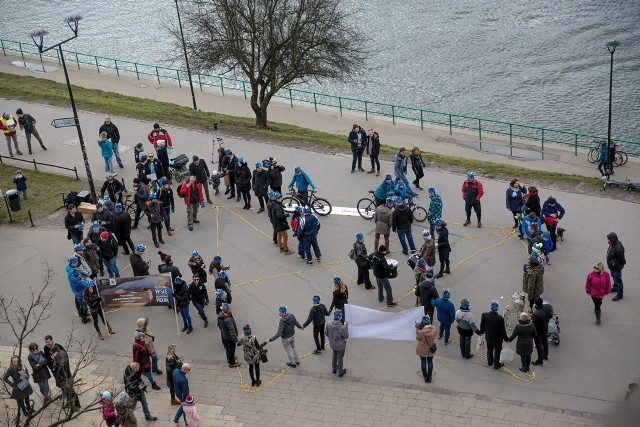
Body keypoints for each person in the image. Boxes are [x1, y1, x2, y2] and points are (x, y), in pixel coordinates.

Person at [478, 301, 509, 369]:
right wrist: (506, 339)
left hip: (488, 337)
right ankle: (496, 365)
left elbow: (482, 325)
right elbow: (502, 331)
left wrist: (481, 332)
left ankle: (490, 362)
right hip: (498, 339)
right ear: (497, 308)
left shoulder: (484, 315)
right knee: (497, 352)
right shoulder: (500, 319)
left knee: (489, 350)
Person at [50, 345, 81, 411]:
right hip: (62, 378)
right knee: (66, 391)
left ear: (55, 352)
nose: (51, 355)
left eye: (52, 353)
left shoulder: (62, 356)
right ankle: (69, 402)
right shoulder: (58, 355)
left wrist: (55, 360)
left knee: (71, 391)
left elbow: (61, 367)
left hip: (66, 378)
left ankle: (77, 405)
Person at [325, 311, 349, 377]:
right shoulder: (342, 327)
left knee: (334, 355)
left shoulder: (328, 324)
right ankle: (340, 371)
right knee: (340, 358)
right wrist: (346, 326)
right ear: (340, 317)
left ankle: (334, 368)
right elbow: (346, 336)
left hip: (332, 344)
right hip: (340, 346)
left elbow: (326, 333)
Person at [531, 297, 553, 365]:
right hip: (545, 328)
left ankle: (540, 359)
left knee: (539, 345)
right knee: (545, 341)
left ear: (535, 304)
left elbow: (534, 325)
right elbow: (550, 315)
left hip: (538, 331)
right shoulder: (547, 307)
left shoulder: (535, 314)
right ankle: (545, 355)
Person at [415, 315, 436, 383]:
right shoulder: (434, 329)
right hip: (430, 348)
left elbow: (418, 338)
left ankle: (425, 377)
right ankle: (429, 377)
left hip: (422, 348)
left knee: (423, 362)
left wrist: (417, 329)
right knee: (430, 362)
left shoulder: (420, 332)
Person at [218, 303, 241, 368]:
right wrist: (235, 339)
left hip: (225, 335)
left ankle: (229, 358)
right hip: (230, 338)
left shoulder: (221, 315)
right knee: (231, 349)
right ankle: (232, 362)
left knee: (228, 349)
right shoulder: (228, 320)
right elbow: (232, 331)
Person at [606, 232, 626, 301]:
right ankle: (615, 288)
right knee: (614, 277)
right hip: (612, 267)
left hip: (616, 268)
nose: (608, 241)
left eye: (609, 239)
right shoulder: (612, 244)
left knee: (618, 280)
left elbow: (622, 260)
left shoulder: (618, 249)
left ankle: (620, 295)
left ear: (613, 240)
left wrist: (619, 264)